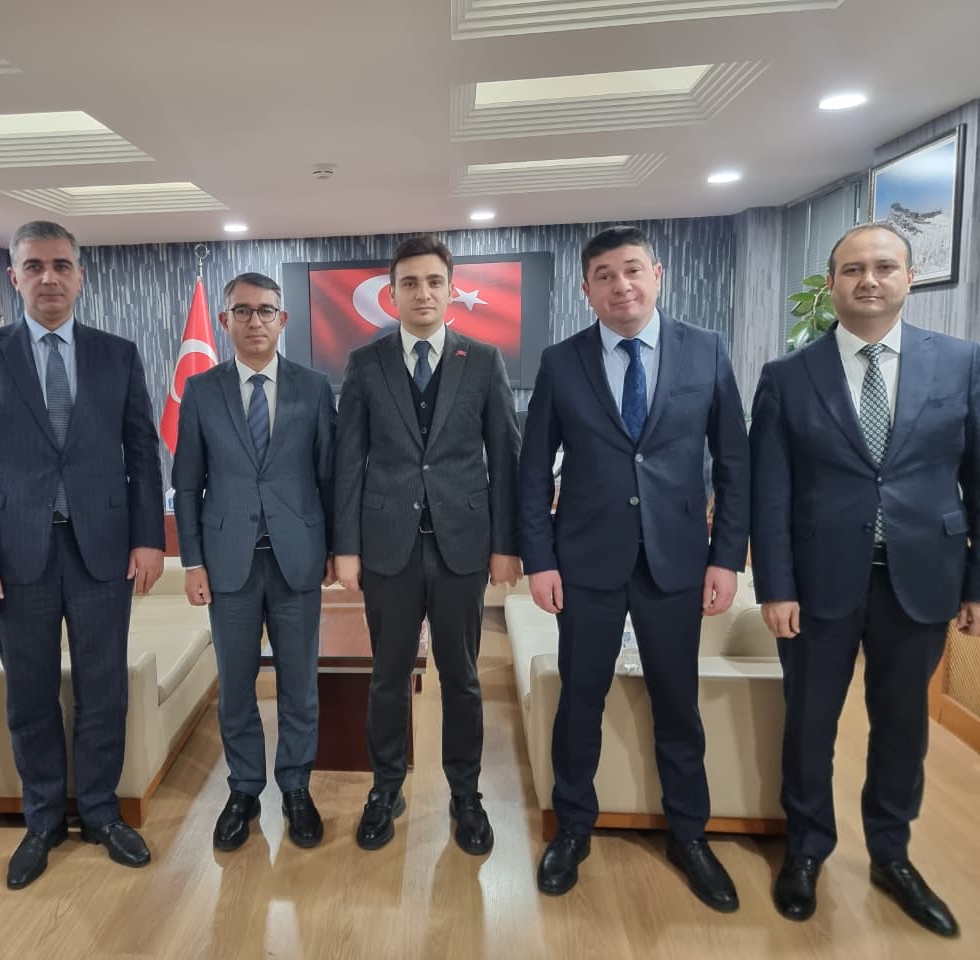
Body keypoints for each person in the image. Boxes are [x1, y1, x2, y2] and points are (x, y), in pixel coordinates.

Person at [750, 222, 974, 937]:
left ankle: (891, 854)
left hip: (921, 577)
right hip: (816, 584)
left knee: (903, 725)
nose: (868, 280)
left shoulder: (961, 364)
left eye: (883, 267)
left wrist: (974, 583)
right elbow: (770, 492)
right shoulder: (788, 376)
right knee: (809, 722)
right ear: (832, 282)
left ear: (910, 277)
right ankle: (806, 848)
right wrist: (775, 585)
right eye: (852, 269)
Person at [518, 225, 749, 910]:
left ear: (657, 274)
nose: (621, 286)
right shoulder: (561, 362)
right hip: (585, 562)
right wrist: (540, 560)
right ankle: (572, 827)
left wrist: (727, 558)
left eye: (631, 270)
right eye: (604, 276)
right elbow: (534, 471)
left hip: (677, 562)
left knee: (678, 704)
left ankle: (690, 834)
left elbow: (734, 465)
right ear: (586, 290)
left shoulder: (706, 350)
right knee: (579, 700)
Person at [0, 220, 165, 889]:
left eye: (61, 265)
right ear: (14, 276)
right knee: (30, 695)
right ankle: (42, 821)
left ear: (80, 275)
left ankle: (100, 813)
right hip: (14, 559)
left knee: (104, 691)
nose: (49, 278)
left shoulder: (117, 354)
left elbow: (143, 454)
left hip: (103, 551)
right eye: (34, 266)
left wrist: (148, 537)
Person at [334, 234, 521, 855]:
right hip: (387, 547)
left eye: (434, 281)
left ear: (451, 290)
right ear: (391, 294)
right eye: (409, 283)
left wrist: (506, 543)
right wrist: (346, 547)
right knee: (388, 677)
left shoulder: (483, 360)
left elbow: (506, 455)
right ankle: (385, 787)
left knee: (462, 677)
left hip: (462, 546)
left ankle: (466, 795)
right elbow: (348, 461)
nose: (422, 293)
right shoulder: (366, 363)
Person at [172, 271, 336, 851]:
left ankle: (295, 786)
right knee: (237, 686)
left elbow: (329, 476)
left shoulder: (314, 388)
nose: (255, 321)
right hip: (227, 564)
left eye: (266, 310)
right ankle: (244, 789)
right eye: (242, 311)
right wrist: (192, 561)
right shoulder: (201, 390)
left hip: (298, 560)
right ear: (225, 321)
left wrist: (334, 549)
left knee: (300, 684)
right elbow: (186, 485)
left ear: (282, 319)